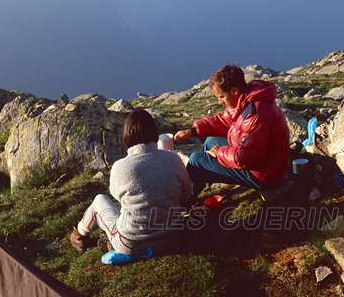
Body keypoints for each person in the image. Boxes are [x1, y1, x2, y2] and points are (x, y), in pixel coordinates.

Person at [70, 109, 191, 256]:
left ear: (126, 135)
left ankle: (78, 236)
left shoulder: (120, 166)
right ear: (154, 132)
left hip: (130, 244)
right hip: (170, 239)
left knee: (99, 201)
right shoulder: (174, 159)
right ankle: (105, 243)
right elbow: (185, 196)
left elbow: (117, 197)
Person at [174, 64, 290, 201]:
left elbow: (247, 158)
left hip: (266, 175)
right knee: (211, 141)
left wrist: (220, 153)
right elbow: (223, 120)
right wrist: (192, 132)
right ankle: (201, 179)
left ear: (234, 91)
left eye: (221, 97)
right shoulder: (245, 98)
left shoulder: (256, 115)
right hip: (262, 162)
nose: (220, 102)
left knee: (196, 160)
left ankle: (186, 201)